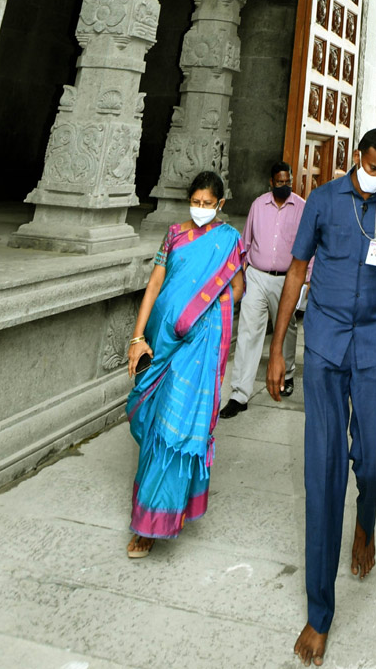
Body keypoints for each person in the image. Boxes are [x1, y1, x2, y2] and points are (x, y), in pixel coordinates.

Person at [265, 128, 376, 667]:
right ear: (359, 158)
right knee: (323, 473)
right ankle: (319, 611)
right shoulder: (325, 202)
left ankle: (367, 520)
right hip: (328, 345)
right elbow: (296, 271)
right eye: (372, 166)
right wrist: (279, 348)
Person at [124, 171, 245, 558]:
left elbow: (237, 288)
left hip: (199, 347)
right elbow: (156, 285)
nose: (201, 209)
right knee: (153, 422)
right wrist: (138, 336)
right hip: (162, 341)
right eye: (196, 202)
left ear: (220, 205)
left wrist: (205, 308)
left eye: (208, 204)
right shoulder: (174, 234)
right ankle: (152, 512)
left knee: (173, 432)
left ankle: (151, 525)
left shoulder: (228, 240)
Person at [221, 162, 305, 418]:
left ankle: (287, 373)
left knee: (286, 326)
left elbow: (309, 245)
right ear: (271, 182)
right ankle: (239, 394)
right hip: (256, 276)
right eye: (279, 182)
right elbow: (246, 241)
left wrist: (306, 279)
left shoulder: (302, 207)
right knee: (248, 331)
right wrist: (243, 272)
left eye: (287, 181)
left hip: (287, 279)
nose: (284, 186)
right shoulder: (258, 205)